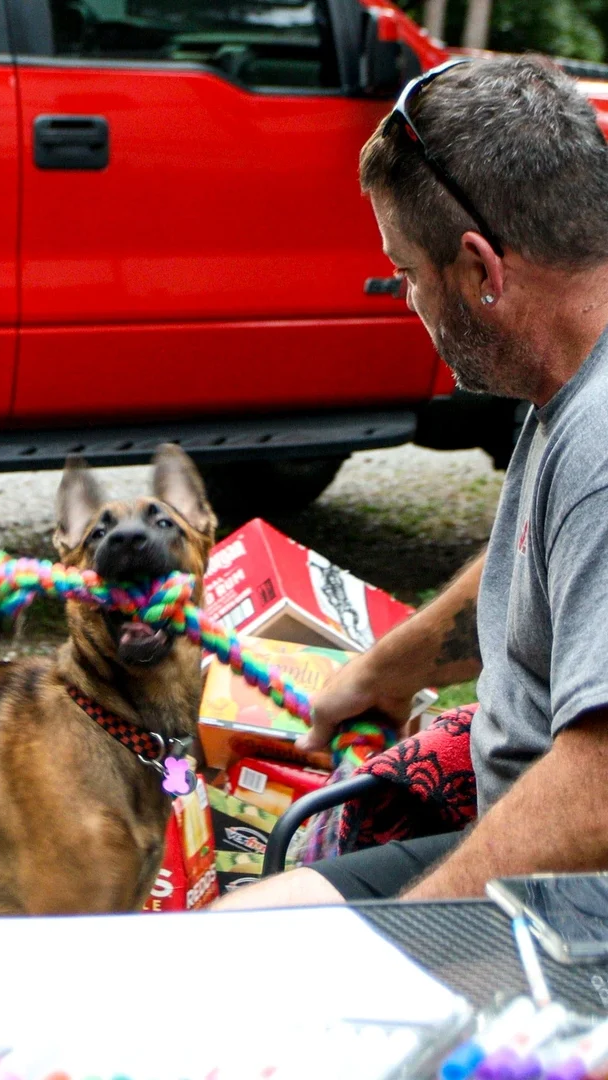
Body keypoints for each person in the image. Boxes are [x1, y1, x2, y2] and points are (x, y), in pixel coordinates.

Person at [213, 54, 608, 909]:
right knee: (238, 926)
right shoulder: (570, 373)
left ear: (480, 270)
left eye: (405, 271)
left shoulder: (603, 444)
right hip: (536, 840)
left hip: (576, 900)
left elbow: (599, 792)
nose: (403, 296)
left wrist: (414, 931)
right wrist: (386, 671)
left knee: (240, 945)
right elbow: (544, 570)